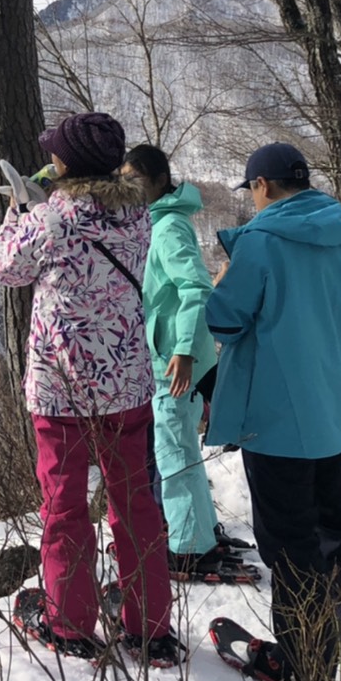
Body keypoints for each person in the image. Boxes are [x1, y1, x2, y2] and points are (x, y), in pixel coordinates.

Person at [204, 142, 341, 681]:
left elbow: (223, 323)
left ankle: (307, 659)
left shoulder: (259, 243)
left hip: (276, 420)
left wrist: (224, 278)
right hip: (335, 410)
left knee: (290, 541)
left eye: (250, 190)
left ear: (263, 187)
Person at [0, 112, 182, 666]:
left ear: (65, 164)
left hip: (61, 391)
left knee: (65, 506)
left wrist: (18, 209)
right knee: (134, 503)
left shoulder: (52, 221)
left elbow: (6, 268)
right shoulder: (139, 216)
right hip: (125, 384)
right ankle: (151, 628)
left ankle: (71, 623)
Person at [121, 143, 253, 584]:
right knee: (182, 451)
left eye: (134, 179)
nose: (129, 188)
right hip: (178, 360)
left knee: (173, 453)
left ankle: (187, 548)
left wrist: (180, 351)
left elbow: (197, 289)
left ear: (159, 180)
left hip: (173, 364)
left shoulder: (168, 228)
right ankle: (200, 535)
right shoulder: (159, 224)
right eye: (124, 180)